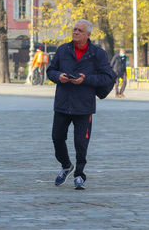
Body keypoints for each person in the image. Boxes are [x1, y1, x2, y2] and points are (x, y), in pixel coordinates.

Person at [47, 19, 115, 190]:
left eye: (79, 30)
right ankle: (65, 165)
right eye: (74, 29)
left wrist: (86, 79)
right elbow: (50, 71)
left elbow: (108, 77)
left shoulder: (97, 53)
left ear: (88, 35)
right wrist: (58, 76)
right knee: (57, 138)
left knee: (81, 143)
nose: (75, 32)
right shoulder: (63, 50)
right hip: (63, 103)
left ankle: (79, 175)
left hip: (84, 106)